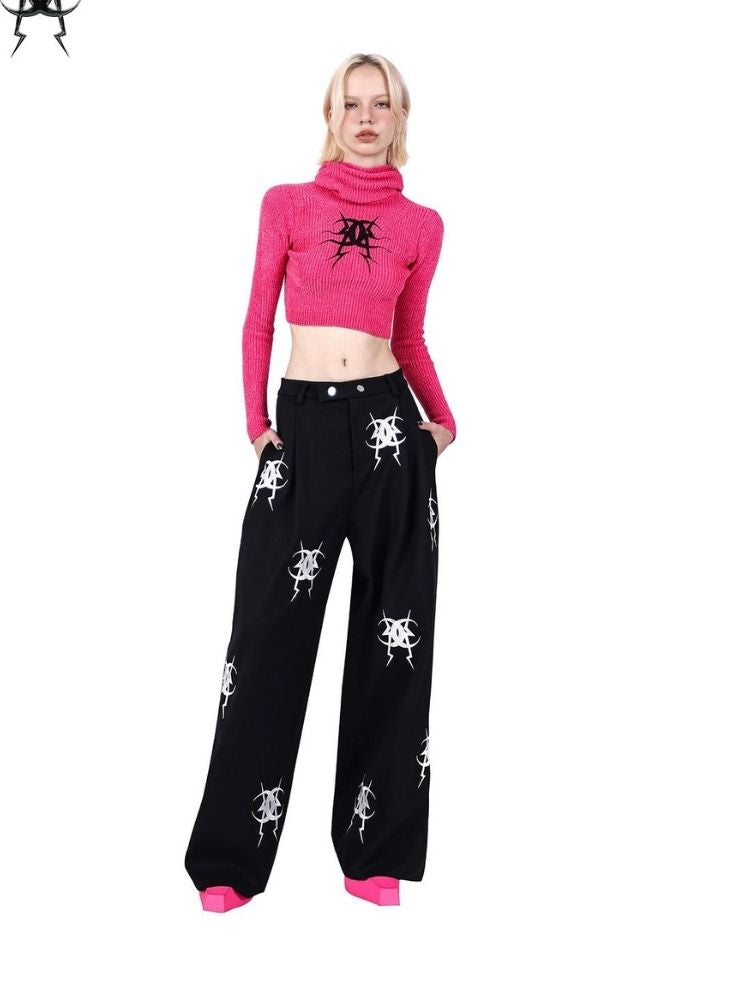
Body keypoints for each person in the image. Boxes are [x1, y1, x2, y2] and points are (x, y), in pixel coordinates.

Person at [184, 52, 456, 910]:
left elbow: (409, 338)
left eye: (382, 104)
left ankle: (374, 853)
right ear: (331, 115)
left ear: (400, 117)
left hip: (390, 431)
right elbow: (256, 321)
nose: (366, 118)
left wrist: (444, 420)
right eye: (352, 103)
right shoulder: (288, 205)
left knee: (394, 636)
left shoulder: (422, 225)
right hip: (301, 429)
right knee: (266, 637)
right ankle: (230, 859)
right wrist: (256, 425)